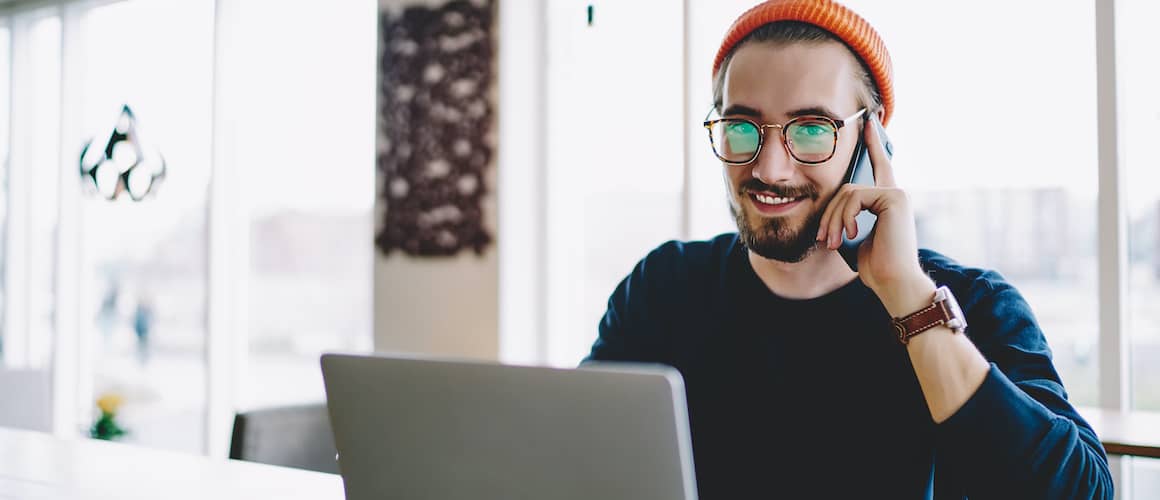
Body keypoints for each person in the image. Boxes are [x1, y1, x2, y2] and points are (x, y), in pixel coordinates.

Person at [583, 1, 1113, 498]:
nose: (769, 168)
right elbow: (569, 452)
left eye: (812, 130)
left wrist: (908, 298)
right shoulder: (663, 288)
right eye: (742, 128)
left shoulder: (972, 303)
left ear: (871, 141)